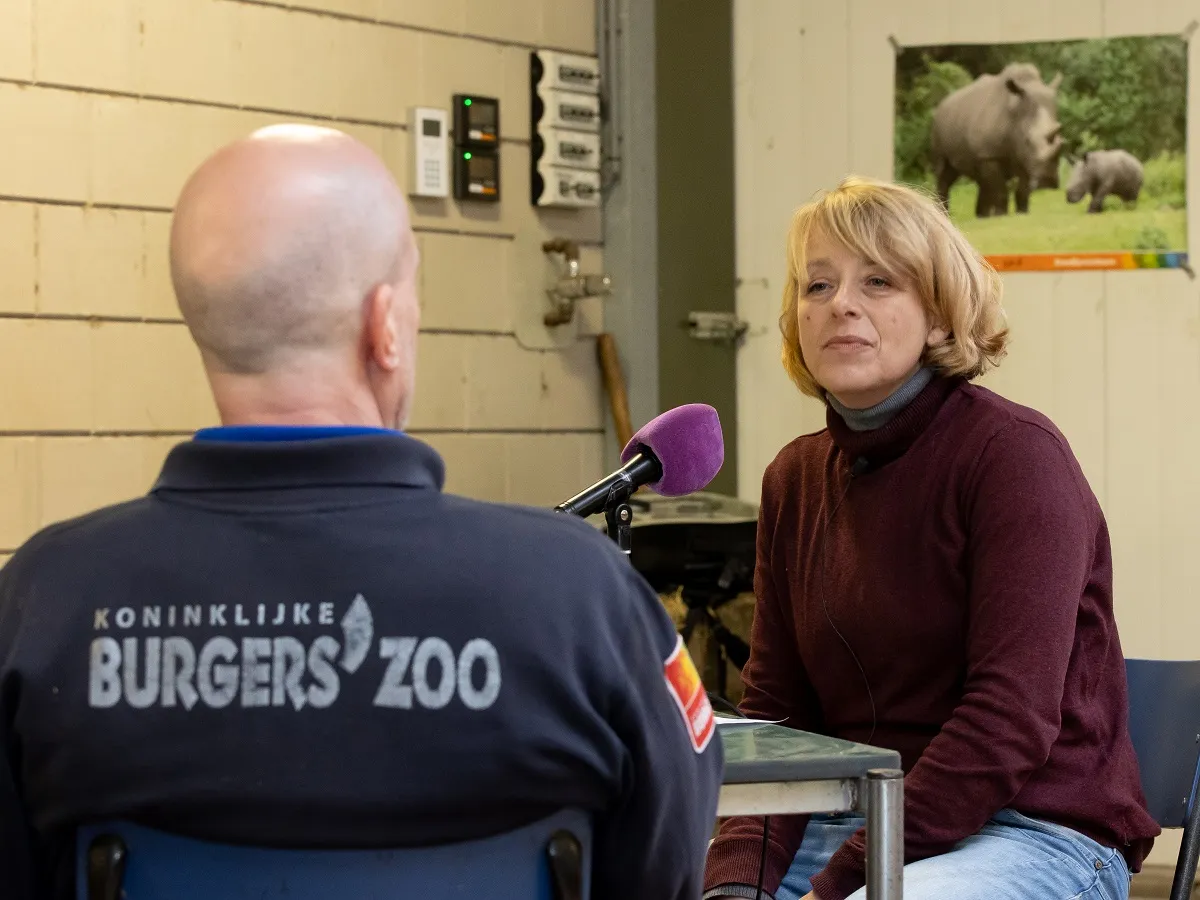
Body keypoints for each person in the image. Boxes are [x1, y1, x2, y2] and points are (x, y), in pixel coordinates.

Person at [0, 124, 723, 900]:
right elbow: (667, 864)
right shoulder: (581, 595)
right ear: (385, 326)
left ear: (205, 324)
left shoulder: (43, 601)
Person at [703, 176, 1158, 900]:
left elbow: (1006, 723)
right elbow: (775, 716)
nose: (840, 303)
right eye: (817, 285)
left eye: (878, 281)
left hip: (1032, 831)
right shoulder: (794, 477)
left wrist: (840, 883)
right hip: (848, 821)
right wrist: (735, 885)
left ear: (942, 318)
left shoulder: (1015, 456)